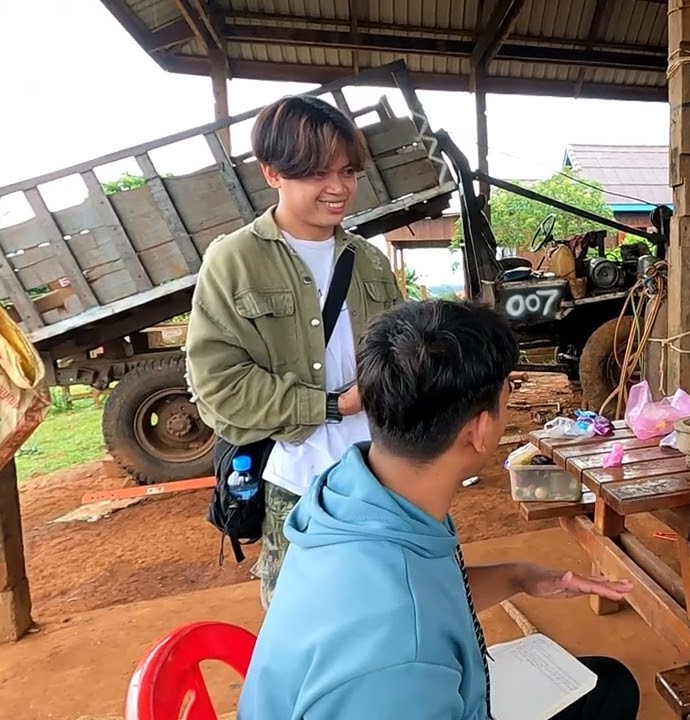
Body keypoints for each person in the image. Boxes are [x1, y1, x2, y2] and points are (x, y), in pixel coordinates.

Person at [237, 299, 641, 720]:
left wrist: (519, 577)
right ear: (480, 431)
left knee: (608, 684)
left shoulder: (356, 493)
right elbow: (406, 620)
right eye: (508, 396)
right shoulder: (402, 658)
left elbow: (425, 591)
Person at [184, 94, 402, 609]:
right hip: (297, 487)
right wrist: (333, 406)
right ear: (272, 173)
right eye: (317, 173)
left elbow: (399, 352)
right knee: (300, 631)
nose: (338, 188)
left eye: (348, 171)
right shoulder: (232, 260)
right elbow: (218, 386)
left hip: (382, 476)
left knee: (389, 613)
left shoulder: (368, 260)